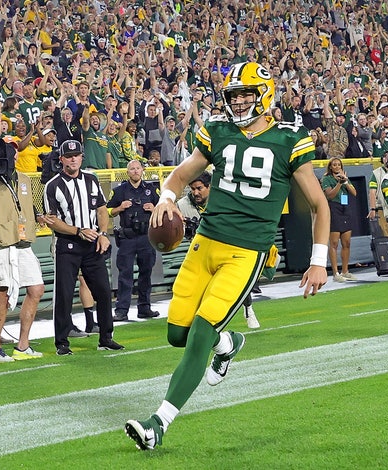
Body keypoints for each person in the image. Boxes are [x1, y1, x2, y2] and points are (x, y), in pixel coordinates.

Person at [124, 62, 329, 451]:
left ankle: (158, 423)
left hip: (246, 251)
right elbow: (180, 176)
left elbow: (319, 204)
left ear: (265, 95)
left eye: (246, 94)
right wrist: (166, 199)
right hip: (205, 242)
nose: (239, 102)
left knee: (200, 332)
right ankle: (228, 344)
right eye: (233, 95)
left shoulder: (289, 139)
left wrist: (318, 260)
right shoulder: (218, 131)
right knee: (177, 334)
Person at [42, 140, 123, 356]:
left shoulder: (91, 179)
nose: (73, 159)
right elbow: (51, 220)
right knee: (65, 294)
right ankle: (61, 342)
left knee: (104, 292)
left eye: (76, 155)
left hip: (92, 243)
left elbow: (101, 209)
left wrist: (104, 234)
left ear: (81, 157)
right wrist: (78, 231)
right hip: (68, 245)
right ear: (61, 159)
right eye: (68, 156)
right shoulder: (52, 185)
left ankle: (106, 337)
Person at [0, 144, 45, 362]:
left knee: (36, 289)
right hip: (0, 242)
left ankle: (23, 346)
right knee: (3, 293)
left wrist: (39, 216)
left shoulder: (24, 179)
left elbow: (27, 206)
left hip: (23, 242)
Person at [177, 171, 261, 329]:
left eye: (199, 188)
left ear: (210, 187)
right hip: (200, 251)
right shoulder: (182, 205)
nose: (195, 192)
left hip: (226, 248)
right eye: (192, 188)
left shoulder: (222, 201)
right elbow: (179, 231)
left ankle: (248, 309)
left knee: (237, 285)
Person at [107, 160, 161, 322]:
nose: (136, 171)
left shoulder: (151, 190)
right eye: (132, 169)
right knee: (125, 275)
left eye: (138, 168)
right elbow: (107, 211)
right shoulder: (119, 191)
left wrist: (154, 208)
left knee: (146, 273)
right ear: (127, 172)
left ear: (142, 170)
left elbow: (164, 207)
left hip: (147, 237)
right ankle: (122, 310)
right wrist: (119, 208)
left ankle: (144, 308)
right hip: (127, 238)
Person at [321, 157, 358, 282]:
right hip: (334, 209)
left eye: (339, 165)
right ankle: (336, 273)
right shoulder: (326, 179)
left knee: (346, 242)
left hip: (345, 209)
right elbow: (330, 195)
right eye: (334, 165)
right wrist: (339, 184)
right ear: (330, 167)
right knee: (334, 243)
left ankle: (345, 271)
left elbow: (354, 193)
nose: (337, 167)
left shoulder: (345, 178)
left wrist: (346, 182)